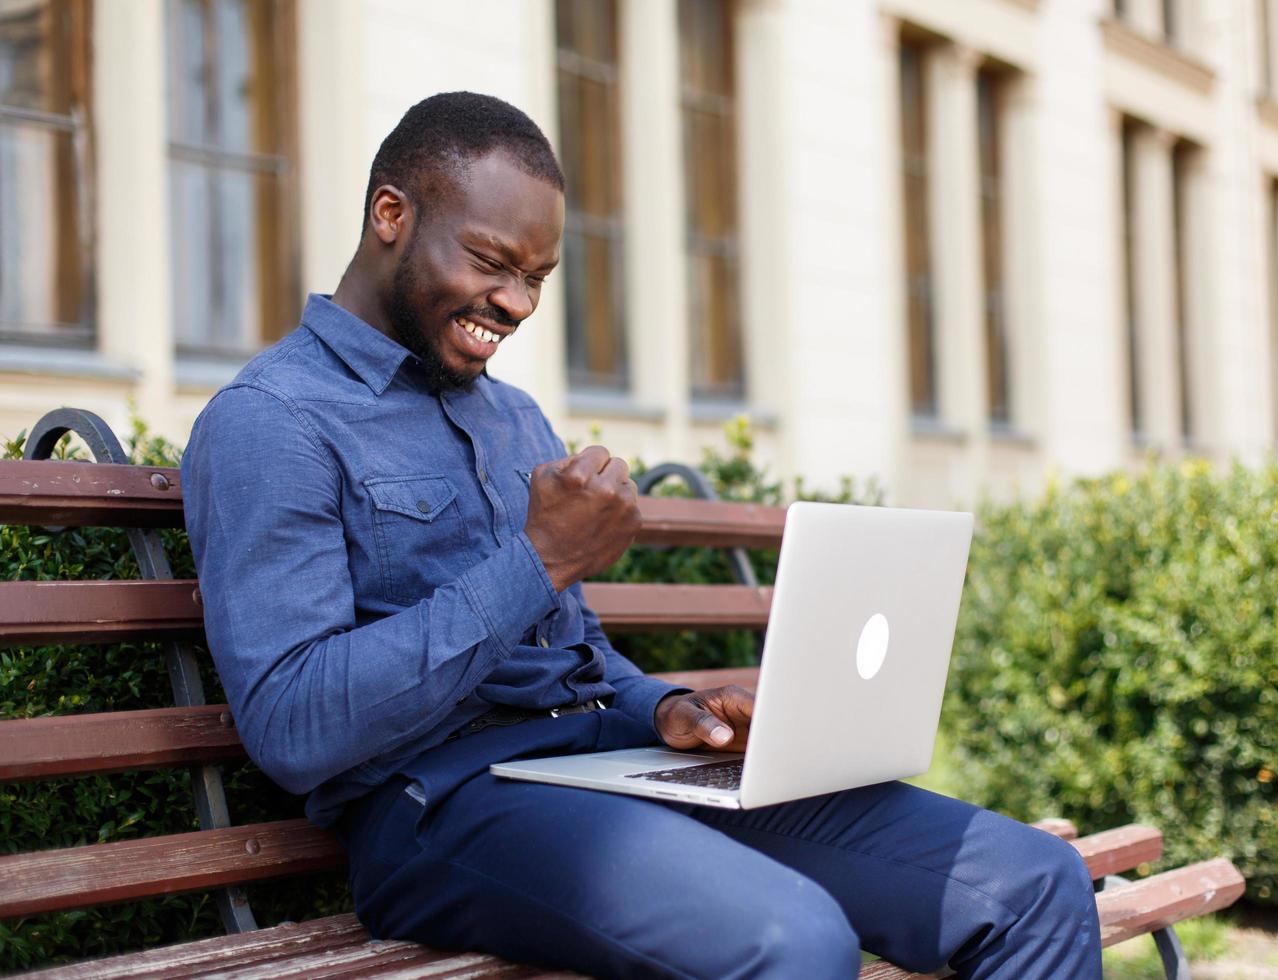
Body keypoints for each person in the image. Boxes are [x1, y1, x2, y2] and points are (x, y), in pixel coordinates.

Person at [182, 91, 1102, 979]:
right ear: (391, 213)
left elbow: (574, 656)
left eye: (536, 278)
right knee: (793, 941)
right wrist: (538, 560)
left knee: (1032, 883)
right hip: (443, 808)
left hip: (609, 768)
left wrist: (665, 710)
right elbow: (295, 723)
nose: (516, 303)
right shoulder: (274, 421)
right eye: (492, 262)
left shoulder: (516, 420)